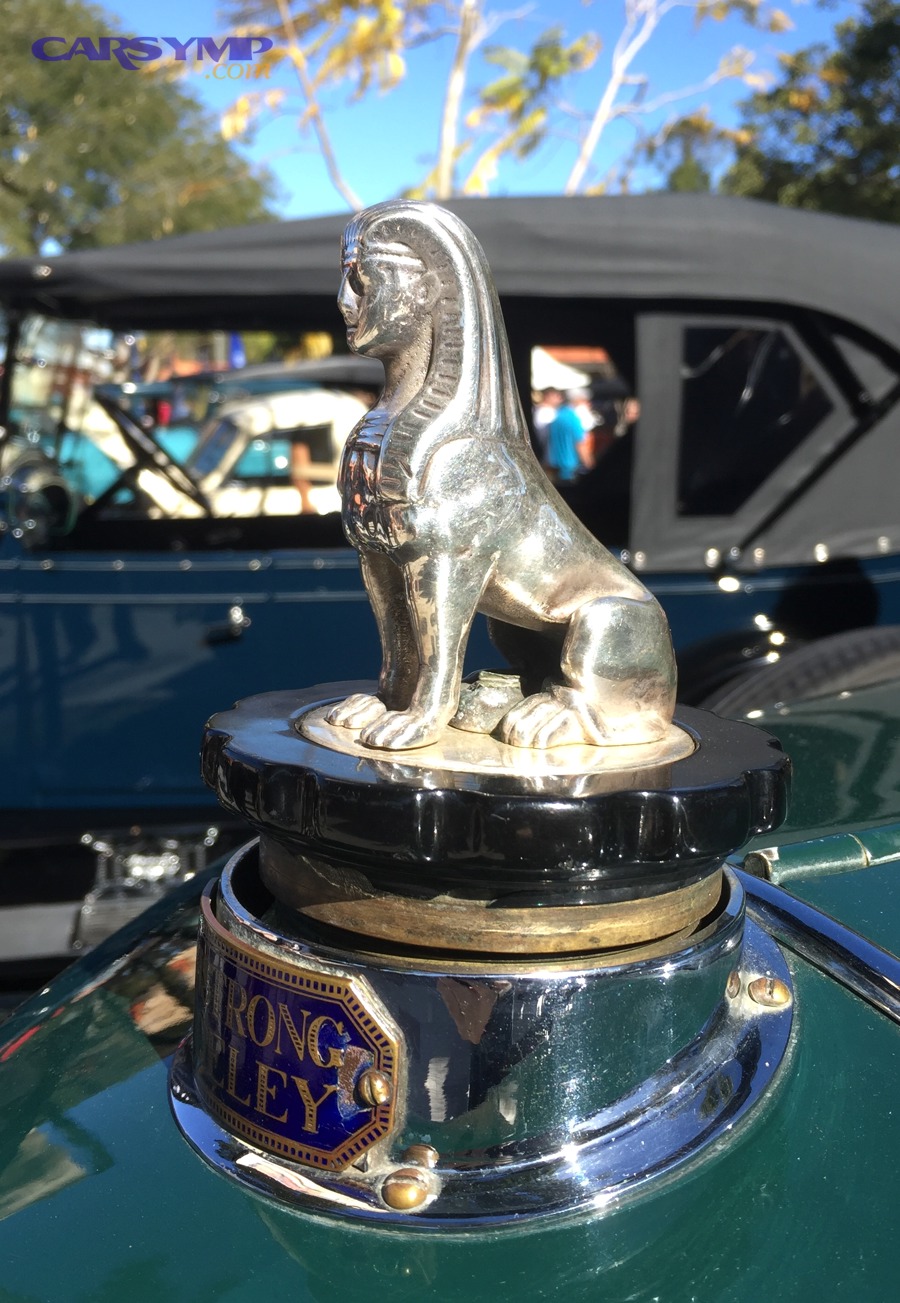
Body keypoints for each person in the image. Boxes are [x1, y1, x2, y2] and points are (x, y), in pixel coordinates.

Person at [545, 390, 592, 484]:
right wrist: (590, 465)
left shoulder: (557, 416)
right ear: (578, 400)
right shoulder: (574, 418)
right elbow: (580, 444)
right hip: (570, 471)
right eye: (585, 401)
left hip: (555, 467)